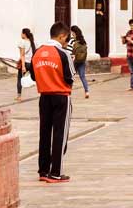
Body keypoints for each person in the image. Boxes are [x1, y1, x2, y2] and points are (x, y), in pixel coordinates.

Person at [30, 22, 75, 183]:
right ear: (62, 36)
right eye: (66, 38)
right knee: (59, 134)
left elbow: (34, 76)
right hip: (61, 96)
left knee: (44, 133)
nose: (66, 42)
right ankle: (56, 172)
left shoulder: (37, 52)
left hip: (44, 97)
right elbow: (70, 76)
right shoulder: (63, 54)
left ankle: (43, 170)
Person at [16, 28, 36, 102]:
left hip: (26, 63)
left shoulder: (22, 42)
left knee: (19, 79)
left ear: (24, 34)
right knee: (36, 78)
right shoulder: (33, 42)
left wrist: (23, 66)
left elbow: (22, 55)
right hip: (32, 63)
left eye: (21, 33)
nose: (21, 34)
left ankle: (19, 97)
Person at [70, 25, 90, 99]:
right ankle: (87, 91)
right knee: (82, 77)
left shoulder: (73, 40)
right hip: (82, 60)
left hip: (75, 61)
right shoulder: (83, 40)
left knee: (71, 76)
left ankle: (68, 92)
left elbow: (70, 51)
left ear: (74, 32)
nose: (71, 34)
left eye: (72, 33)